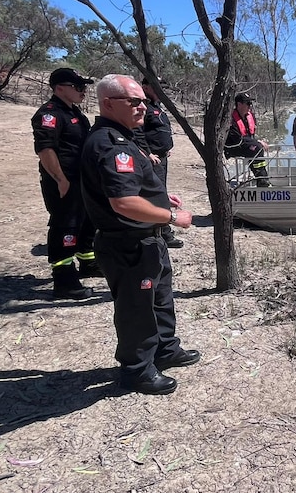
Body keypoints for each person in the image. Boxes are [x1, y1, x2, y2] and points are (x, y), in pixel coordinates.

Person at [80, 74, 199, 396]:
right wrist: (173, 216)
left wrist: (161, 199)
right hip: (127, 244)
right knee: (136, 309)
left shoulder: (125, 136)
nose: (142, 107)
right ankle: (137, 370)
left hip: (148, 241)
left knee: (160, 299)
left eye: (143, 101)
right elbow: (123, 203)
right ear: (108, 103)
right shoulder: (109, 143)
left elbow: (135, 188)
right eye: (133, 101)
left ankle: (165, 349)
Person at [31, 67, 100, 300]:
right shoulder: (49, 114)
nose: (83, 91)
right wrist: (60, 179)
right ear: (60, 88)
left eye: (84, 87)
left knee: (86, 222)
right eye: (78, 87)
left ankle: (88, 263)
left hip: (82, 180)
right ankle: (64, 279)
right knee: (66, 226)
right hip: (64, 181)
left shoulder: (76, 112)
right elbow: (45, 149)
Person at [133, 76, 183, 248]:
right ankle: (164, 233)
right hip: (152, 160)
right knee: (157, 194)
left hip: (161, 157)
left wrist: (165, 148)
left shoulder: (157, 107)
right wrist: (147, 153)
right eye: (157, 87)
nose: (161, 90)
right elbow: (137, 133)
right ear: (146, 87)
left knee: (161, 192)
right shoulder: (142, 107)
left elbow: (160, 130)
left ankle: (161, 231)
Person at [224, 93, 271, 187]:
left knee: (257, 147)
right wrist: (257, 142)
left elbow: (250, 136)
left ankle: (263, 178)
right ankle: (261, 179)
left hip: (246, 144)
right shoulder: (231, 119)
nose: (250, 105)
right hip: (234, 146)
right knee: (257, 148)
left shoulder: (250, 116)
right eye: (248, 103)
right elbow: (237, 139)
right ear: (239, 104)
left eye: (250, 103)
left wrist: (257, 141)